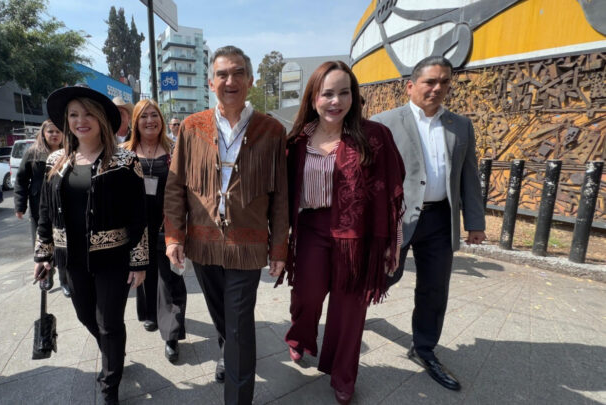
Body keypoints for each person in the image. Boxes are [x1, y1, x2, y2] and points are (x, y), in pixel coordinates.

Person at [164, 45, 288, 405]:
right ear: (210, 82)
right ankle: (227, 350)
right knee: (223, 319)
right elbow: (175, 188)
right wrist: (174, 236)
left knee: (238, 326)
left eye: (237, 73)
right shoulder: (190, 128)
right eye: (222, 74)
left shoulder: (272, 130)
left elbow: (281, 196)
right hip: (202, 244)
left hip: (247, 248)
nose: (229, 81)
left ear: (250, 80)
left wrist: (279, 248)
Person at [279, 61, 405, 404]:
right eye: (327, 93)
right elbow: (282, 192)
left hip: (358, 234)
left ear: (354, 96)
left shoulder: (373, 135)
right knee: (306, 295)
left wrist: (387, 244)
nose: (336, 101)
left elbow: (390, 188)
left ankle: (343, 375)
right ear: (314, 97)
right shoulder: (298, 139)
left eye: (344, 93)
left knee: (350, 310)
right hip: (311, 228)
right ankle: (301, 336)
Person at [371, 56, 486, 391]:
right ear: (411, 85)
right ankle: (347, 324)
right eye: (430, 81)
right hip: (397, 218)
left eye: (445, 82)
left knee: (435, 288)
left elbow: (469, 175)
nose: (438, 88)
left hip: (439, 218)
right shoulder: (384, 123)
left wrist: (474, 222)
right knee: (381, 277)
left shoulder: (460, 125)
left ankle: (423, 348)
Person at [34, 86, 149, 405]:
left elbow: (139, 214)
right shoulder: (56, 161)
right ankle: (114, 352)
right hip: (72, 259)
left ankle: (109, 383)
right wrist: (43, 254)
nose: (80, 120)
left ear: (100, 119)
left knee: (109, 321)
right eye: (73, 115)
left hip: (113, 259)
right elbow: (45, 210)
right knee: (86, 316)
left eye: (87, 114)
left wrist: (138, 262)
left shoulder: (125, 161)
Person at [121, 99, 187, 363]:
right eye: (144, 116)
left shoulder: (175, 149)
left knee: (170, 279)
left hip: (166, 224)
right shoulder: (124, 152)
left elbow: (185, 188)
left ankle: (171, 334)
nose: (150, 120)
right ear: (135, 122)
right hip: (136, 225)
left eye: (154, 115)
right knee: (144, 272)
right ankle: (149, 313)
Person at [13, 120, 68, 295]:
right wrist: (20, 205)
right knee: (42, 242)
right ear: (43, 133)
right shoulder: (33, 153)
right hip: (39, 207)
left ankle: (65, 280)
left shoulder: (69, 152)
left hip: (62, 206)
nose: (54, 135)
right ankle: (46, 275)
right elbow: (21, 180)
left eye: (58, 131)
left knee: (62, 243)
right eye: (50, 131)